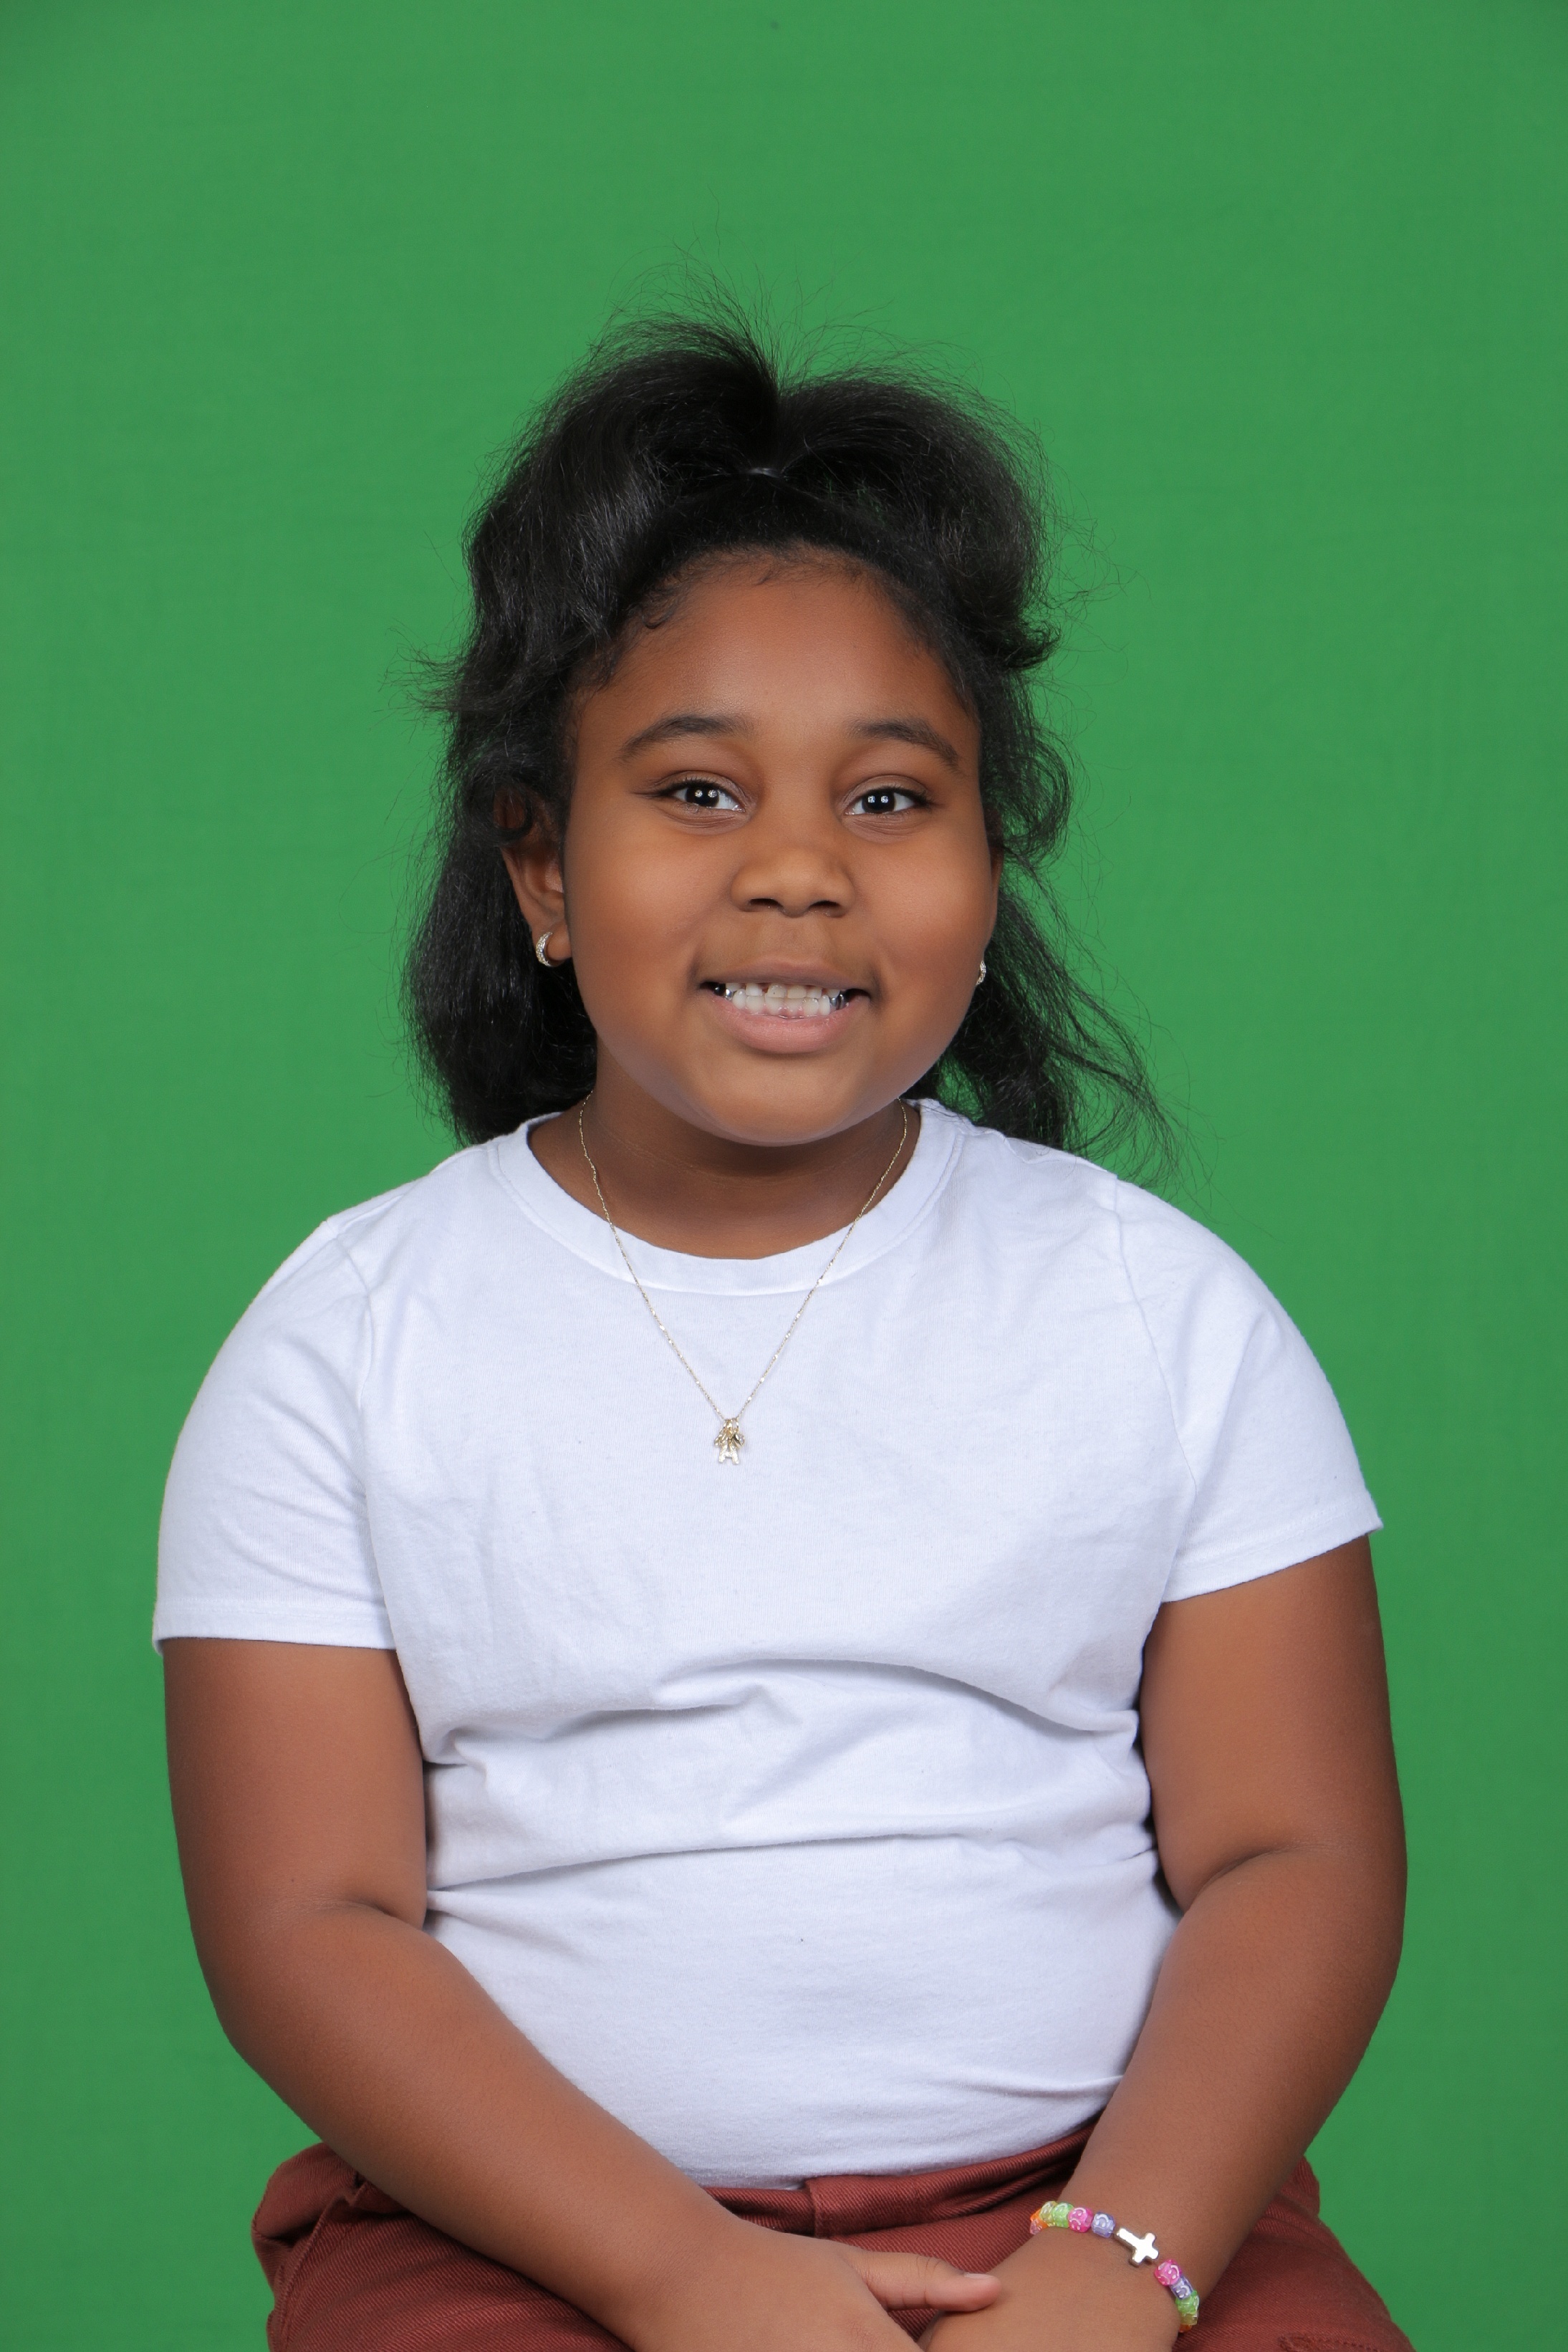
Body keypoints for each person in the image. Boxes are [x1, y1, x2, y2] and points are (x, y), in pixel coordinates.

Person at [157, 309, 1411, 2352]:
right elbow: (308, 1918)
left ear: (990, 867)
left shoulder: (1158, 1311)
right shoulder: (348, 1341)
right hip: (521, 2236)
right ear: (543, 867)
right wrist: (685, 2271)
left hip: (1098, 2202)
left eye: (893, 798)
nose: (803, 872)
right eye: (698, 791)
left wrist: (1125, 2261)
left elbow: (1299, 1850)